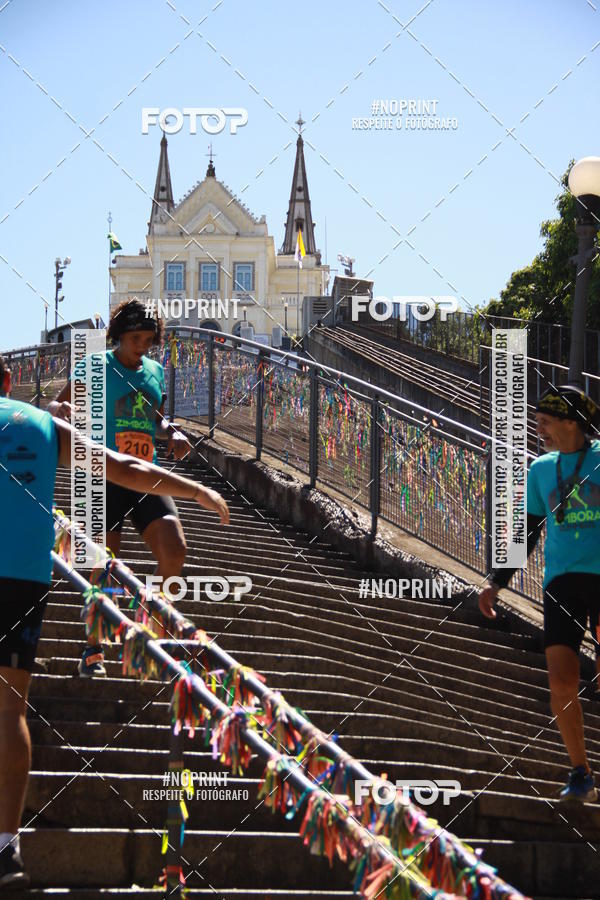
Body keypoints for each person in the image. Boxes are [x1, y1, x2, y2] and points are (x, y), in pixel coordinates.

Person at [0, 353, 229, 889]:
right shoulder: (40, 424)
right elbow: (125, 468)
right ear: (9, 381)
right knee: (10, 710)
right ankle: (6, 849)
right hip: (23, 577)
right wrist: (194, 490)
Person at [48, 298, 191, 676]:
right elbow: (59, 406)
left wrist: (172, 432)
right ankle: (93, 649)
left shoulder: (155, 372)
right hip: (104, 474)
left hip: (145, 474)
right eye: (134, 339)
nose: (141, 347)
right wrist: (61, 411)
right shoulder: (95, 365)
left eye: (147, 339)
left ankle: (150, 632)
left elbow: (156, 419)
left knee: (174, 550)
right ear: (118, 336)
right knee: (102, 568)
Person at [479, 384, 600, 803]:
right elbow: (527, 531)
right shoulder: (540, 469)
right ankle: (580, 772)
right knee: (561, 680)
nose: (539, 429)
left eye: (546, 421)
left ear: (571, 422)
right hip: (561, 582)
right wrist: (496, 582)